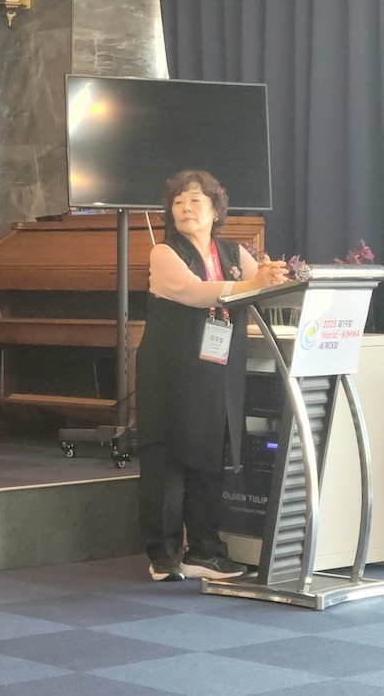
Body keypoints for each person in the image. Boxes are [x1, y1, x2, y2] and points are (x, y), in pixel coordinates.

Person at [135, 169, 288, 583]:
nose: (185, 208)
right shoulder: (164, 252)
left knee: (209, 455)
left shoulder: (234, 252)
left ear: (216, 210)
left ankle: (205, 551)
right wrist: (253, 284)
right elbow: (193, 291)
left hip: (216, 369)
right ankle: (163, 556)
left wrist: (278, 277)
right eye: (178, 202)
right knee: (167, 458)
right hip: (170, 370)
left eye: (196, 200)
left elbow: (264, 287)